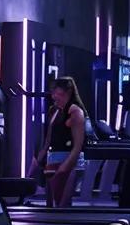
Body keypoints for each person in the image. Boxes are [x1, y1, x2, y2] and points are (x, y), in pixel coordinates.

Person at [28, 76, 87, 208]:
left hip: (70, 162)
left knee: (62, 206)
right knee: (51, 207)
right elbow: (48, 141)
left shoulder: (76, 112)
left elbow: (77, 147)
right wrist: (36, 164)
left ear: (68, 93)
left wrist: (64, 168)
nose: (55, 97)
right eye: (54, 93)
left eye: (59, 94)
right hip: (53, 161)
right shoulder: (53, 111)